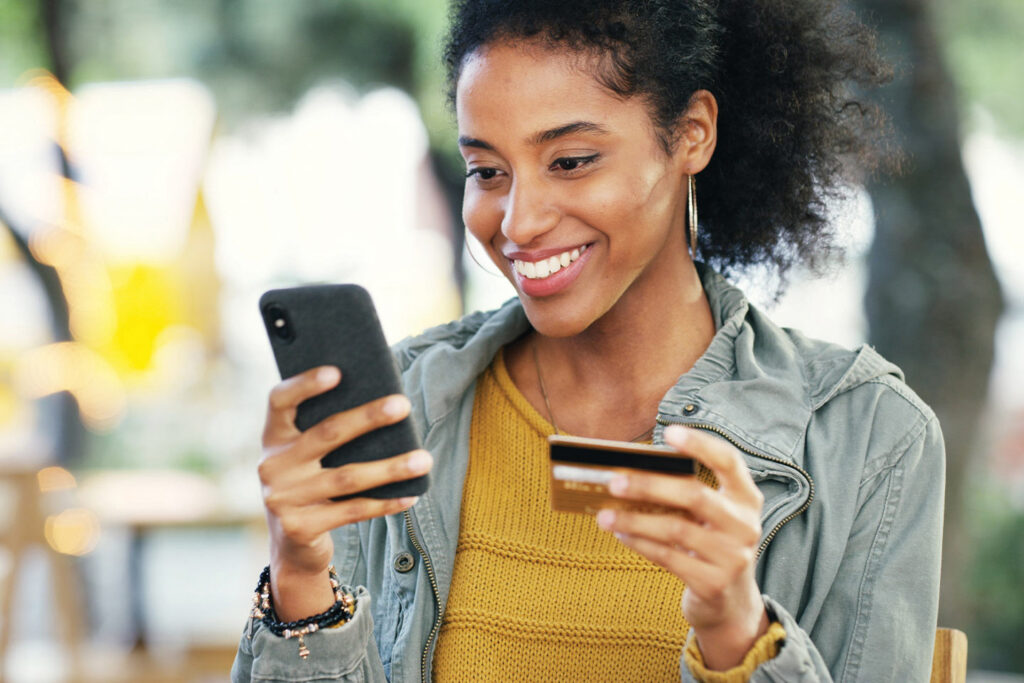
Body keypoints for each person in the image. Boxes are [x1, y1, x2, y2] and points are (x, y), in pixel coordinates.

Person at [232, 1, 944, 681]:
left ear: (691, 133)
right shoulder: (402, 411)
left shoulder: (868, 437)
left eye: (570, 160)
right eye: (488, 171)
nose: (519, 222)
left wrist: (737, 631)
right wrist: (299, 579)